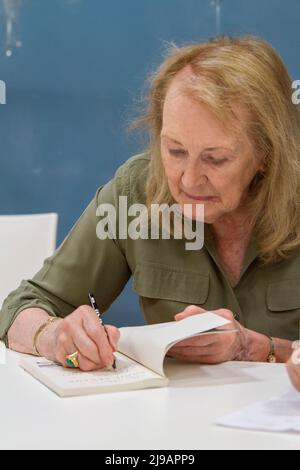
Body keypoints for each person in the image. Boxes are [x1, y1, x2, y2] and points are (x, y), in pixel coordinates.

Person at [1, 35, 300, 372]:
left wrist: (261, 349)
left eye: (215, 159)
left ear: (265, 152)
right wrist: (53, 335)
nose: (188, 180)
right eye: (174, 151)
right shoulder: (136, 193)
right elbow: (23, 307)